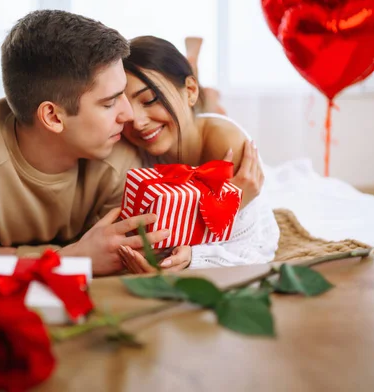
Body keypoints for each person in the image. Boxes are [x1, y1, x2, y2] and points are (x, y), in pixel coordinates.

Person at [0, 11, 171, 284]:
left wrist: (5, 255)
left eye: (123, 94)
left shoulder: (121, 150)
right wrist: (76, 257)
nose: (128, 116)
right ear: (53, 117)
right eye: (109, 103)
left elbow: (115, 259)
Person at [118, 36, 280, 273]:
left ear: (190, 90)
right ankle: (200, 82)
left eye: (151, 99)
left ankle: (203, 84)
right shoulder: (128, 141)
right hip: (189, 121)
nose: (138, 122)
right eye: (123, 108)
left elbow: (258, 247)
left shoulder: (226, 146)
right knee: (196, 112)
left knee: (207, 111)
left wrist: (193, 256)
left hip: (203, 127)